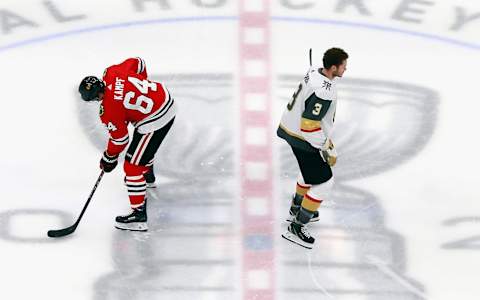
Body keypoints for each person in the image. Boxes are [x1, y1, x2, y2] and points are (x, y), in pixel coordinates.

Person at [78, 57, 176, 231]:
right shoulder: (112, 72)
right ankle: (148, 178)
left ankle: (138, 216)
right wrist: (139, 89)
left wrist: (109, 158)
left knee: (132, 167)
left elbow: (121, 139)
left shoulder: (108, 110)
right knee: (142, 149)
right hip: (165, 99)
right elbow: (139, 62)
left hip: (155, 120)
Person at [277, 48, 348, 249]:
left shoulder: (314, 72)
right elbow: (309, 125)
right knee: (325, 182)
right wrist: (326, 147)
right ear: (333, 67)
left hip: (289, 129)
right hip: (302, 138)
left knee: (309, 173)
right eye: (343, 65)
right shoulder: (325, 90)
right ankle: (297, 226)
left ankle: (296, 208)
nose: (346, 68)